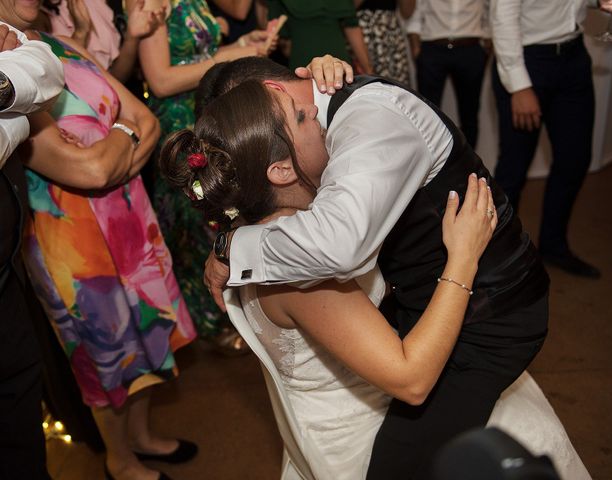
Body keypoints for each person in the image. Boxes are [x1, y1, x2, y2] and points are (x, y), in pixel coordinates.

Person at [199, 56, 549, 477]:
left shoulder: (368, 121)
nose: (318, 120)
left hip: (490, 316)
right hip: (422, 327)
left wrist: (231, 245)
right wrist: (462, 259)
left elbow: (342, 242)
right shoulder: (298, 247)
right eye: (301, 120)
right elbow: (341, 247)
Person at [5, 0, 200, 478]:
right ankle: (120, 458)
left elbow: (145, 118)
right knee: (106, 352)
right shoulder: (10, 75)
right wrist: (123, 138)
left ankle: (142, 435)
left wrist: (117, 144)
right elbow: (89, 170)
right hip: (71, 244)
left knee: (152, 331)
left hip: (131, 215)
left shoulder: (60, 46)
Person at [137, 0, 276, 350]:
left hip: (206, 110)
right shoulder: (152, 3)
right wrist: (222, 61)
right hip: (178, 121)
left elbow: (201, 52)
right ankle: (209, 319)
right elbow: (160, 79)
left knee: (223, 207)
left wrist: (243, 48)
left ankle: (228, 307)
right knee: (195, 217)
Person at [490, 0, 612, 278]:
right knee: (513, 169)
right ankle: (496, 259)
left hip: (574, 56)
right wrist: (520, 86)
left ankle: (553, 246)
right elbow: (502, 18)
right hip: (528, 61)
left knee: (574, 160)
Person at [0, 20, 64, 480]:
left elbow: (44, 67)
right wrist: (17, 120)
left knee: (21, 402)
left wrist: (5, 86)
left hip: (5, 277)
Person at [406, 0, 490, 148]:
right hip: (432, 47)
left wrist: (487, 46)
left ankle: (469, 168)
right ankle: (432, 167)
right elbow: (417, 12)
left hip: (470, 48)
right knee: (427, 114)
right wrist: (416, 49)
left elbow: (490, 10)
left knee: (470, 115)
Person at [266, 0, 372, 73]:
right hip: (338, 60)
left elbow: (283, 41)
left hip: (303, 59)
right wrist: (368, 70)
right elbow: (352, 27)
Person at [355, 0, 415, 85]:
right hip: (360, 31)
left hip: (390, 32)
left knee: (397, 85)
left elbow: (407, 13)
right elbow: (345, 8)